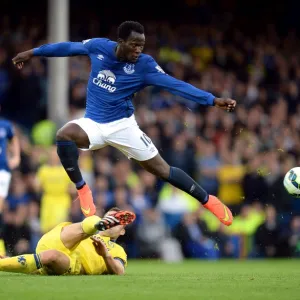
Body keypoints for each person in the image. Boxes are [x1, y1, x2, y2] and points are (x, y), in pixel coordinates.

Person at [12, 21, 235, 226]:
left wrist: (212, 100)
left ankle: (208, 200)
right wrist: (33, 53)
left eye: (142, 45)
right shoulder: (99, 47)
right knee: (64, 134)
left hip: (123, 126)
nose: (138, 50)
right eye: (134, 45)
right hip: (94, 124)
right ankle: (82, 189)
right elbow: (68, 48)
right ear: (121, 43)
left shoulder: (145, 65)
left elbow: (175, 85)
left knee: (163, 170)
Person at [0, 208, 136, 275]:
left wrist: (105, 255)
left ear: (122, 231)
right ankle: (96, 224)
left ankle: (4, 262)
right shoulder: (88, 233)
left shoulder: (118, 250)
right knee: (87, 227)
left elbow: (119, 271)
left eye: (116, 222)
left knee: (51, 256)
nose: (113, 222)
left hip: (72, 262)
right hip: (63, 237)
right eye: (110, 218)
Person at [0, 112, 21, 256]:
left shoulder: (5, 125)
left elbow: (14, 140)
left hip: (2, 170)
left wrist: (16, 157)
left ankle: (1, 248)